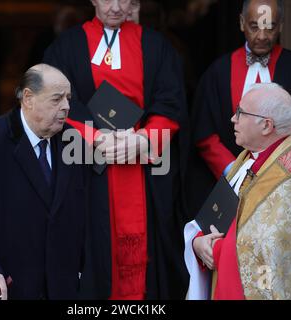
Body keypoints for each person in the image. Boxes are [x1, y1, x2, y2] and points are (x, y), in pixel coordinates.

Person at [43, 0, 188, 300]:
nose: (116, 7)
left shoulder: (155, 45)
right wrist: (93, 137)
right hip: (87, 167)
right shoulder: (68, 46)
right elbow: (56, 97)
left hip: (144, 168)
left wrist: (145, 140)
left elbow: (170, 100)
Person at [189, 0, 291, 288]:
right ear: (242, 23)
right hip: (231, 185)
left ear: (281, 26)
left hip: (284, 186)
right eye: (255, 26)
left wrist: (277, 170)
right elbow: (204, 134)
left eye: (270, 27)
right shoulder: (218, 71)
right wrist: (237, 172)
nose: (263, 35)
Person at [0, 64, 87, 300]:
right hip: (2, 288)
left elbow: (84, 214)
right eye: (56, 99)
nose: (66, 107)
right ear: (28, 98)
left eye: (68, 99)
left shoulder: (74, 142)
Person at [185, 83, 291, 300]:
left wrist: (216, 250)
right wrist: (197, 240)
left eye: (240, 112)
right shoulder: (248, 159)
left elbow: (266, 249)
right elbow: (218, 216)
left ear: (266, 126)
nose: (233, 118)